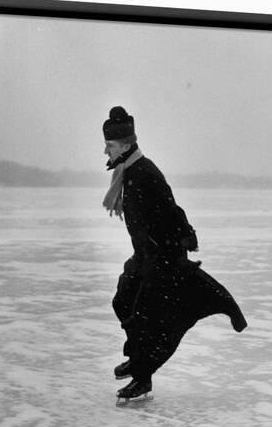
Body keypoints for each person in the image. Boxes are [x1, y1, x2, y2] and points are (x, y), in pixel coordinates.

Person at [102, 106, 247, 401]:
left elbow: (170, 208)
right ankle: (137, 359)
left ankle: (142, 378)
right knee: (123, 301)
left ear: (125, 145)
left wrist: (182, 240)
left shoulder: (145, 173)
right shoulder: (128, 172)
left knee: (147, 318)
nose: (105, 150)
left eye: (110, 145)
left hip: (161, 258)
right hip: (144, 256)